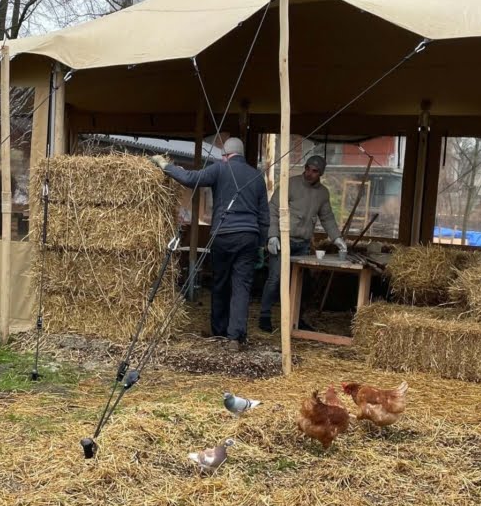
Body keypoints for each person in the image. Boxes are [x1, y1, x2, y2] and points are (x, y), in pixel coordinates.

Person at [149, 137, 269, 350]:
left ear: (225, 154)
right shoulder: (257, 176)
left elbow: (190, 178)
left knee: (220, 282)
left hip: (223, 234)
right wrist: (260, 243)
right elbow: (264, 215)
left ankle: (219, 329)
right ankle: (235, 337)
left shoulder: (220, 169)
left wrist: (165, 166)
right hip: (248, 236)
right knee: (241, 286)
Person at [259, 154, 347, 333]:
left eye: (314, 171)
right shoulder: (290, 184)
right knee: (275, 279)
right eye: (307, 168)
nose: (309, 173)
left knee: (302, 283)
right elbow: (274, 209)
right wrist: (272, 235)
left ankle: (297, 319)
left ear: (320, 174)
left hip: (303, 244)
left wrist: (337, 238)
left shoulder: (323, 193)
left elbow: (327, 217)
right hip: (284, 240)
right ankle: (265, 316)